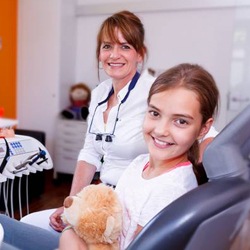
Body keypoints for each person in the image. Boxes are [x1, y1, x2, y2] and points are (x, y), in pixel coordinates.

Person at [19, 10, 218, 233]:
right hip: (100, 199)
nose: (114, 55)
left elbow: (209, 137)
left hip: (132, 207)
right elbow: (90, 152)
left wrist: (180, 184)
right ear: (99, 53)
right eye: (107, 46)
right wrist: (72, 203)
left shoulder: (155, 91)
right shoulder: (99, 93)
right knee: (29, 223)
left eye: (125, 46)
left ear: (140, 54)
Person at [0, 63, 219, 250]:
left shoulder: (172, 189)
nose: (161, 130)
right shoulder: (138, 164)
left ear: (203, 128)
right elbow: (111, 219)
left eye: (180, 121)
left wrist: (71, 240)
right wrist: (74, 216)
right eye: (155, 113)